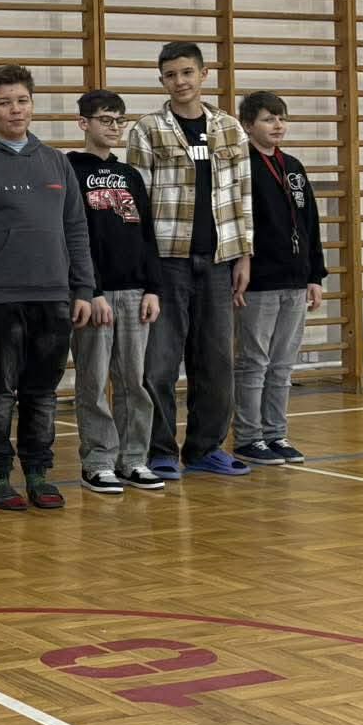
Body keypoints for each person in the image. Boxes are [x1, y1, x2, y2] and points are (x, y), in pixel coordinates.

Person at [0, 65, 94, 512]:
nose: (15, 109)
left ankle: (38, 473)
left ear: (32, 104)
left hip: (53, 297)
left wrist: (83, 288)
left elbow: (76, 228)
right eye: (4, 102)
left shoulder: (56, 162)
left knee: (42, 392)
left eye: (22, 100)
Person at [126, 41, 254, 480]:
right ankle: (160, 449)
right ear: (162, 81)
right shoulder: (147, 130)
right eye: (170, 75)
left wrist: (244, 255)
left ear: (203, 74)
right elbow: (137, 203)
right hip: (167, 261)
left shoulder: (230, 128)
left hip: (218, 260)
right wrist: (145, 268)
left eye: (186, 73)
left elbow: (243, 196)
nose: (179, 82)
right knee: (160, 363)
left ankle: (205, 447)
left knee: (216, 361)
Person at [68, 90, 164, 496]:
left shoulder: (130, 175)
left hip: (135, 290)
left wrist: (153, 288)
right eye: (105, 119)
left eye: (119, 120)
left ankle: (133, 458)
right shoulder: (70, 169)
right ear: (84, 123)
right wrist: (91, 290)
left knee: (134, 382)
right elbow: (74, 237)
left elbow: (147, 234)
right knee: (93, 381)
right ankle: (98, 462)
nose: (113, 127)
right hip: (95, 294)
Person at [232, 91, 327, 466]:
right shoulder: (241, 166)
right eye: (269, 119)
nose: (278, 125)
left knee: (283, 363)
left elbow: (310, 223)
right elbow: (234, 223)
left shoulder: (294, 167)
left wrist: (315, 275)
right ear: (247, 125)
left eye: (282, 118)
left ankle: (275, 433)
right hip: (259, 281)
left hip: (295, 279)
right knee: (253, 361)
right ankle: (248, 437)